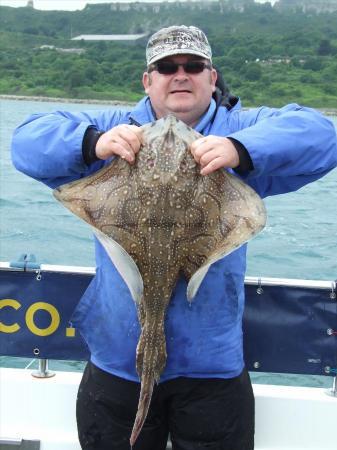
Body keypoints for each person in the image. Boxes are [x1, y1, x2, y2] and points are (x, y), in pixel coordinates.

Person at [11, 25, 337, 450]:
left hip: (211, 369)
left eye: (193, 66)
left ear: (212, 77)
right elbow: (26, 143)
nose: (180, 74)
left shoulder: (243, 128)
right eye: (166, 67)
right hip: (116, 362)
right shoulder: (114, 130)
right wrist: (93, 144)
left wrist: (239, 148)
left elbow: (321, 135)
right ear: (148, 80)